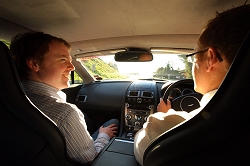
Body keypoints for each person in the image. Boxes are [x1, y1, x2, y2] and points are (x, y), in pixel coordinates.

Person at [134, 4, 250, 166]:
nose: (192, 66)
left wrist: (163, 115)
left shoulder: (169, 126)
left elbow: (142, 150)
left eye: (193, 57)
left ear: (211, 58)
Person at [10, 31, 119, 165]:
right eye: (63, 59)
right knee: (113, 122)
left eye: (70, 61)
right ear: (34, 64)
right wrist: (104, 136)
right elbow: (90, 158)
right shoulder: (65, 114)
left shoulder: (10, 98)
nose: (72, 67)